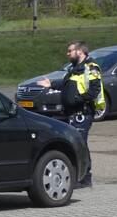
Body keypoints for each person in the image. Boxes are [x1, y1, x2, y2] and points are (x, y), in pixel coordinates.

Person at [36, 40, 104, 188]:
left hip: (82, 113)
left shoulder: (91, 67)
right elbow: (66, 84)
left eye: (70, 51)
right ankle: (79, 177)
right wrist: (51, 84)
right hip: (70, 113)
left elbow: (94, 90)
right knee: (74, 144)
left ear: (80, 51)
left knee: (80, 145)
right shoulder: (74, 69)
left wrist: (78, 99)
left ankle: (85, 178)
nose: (68, 53)